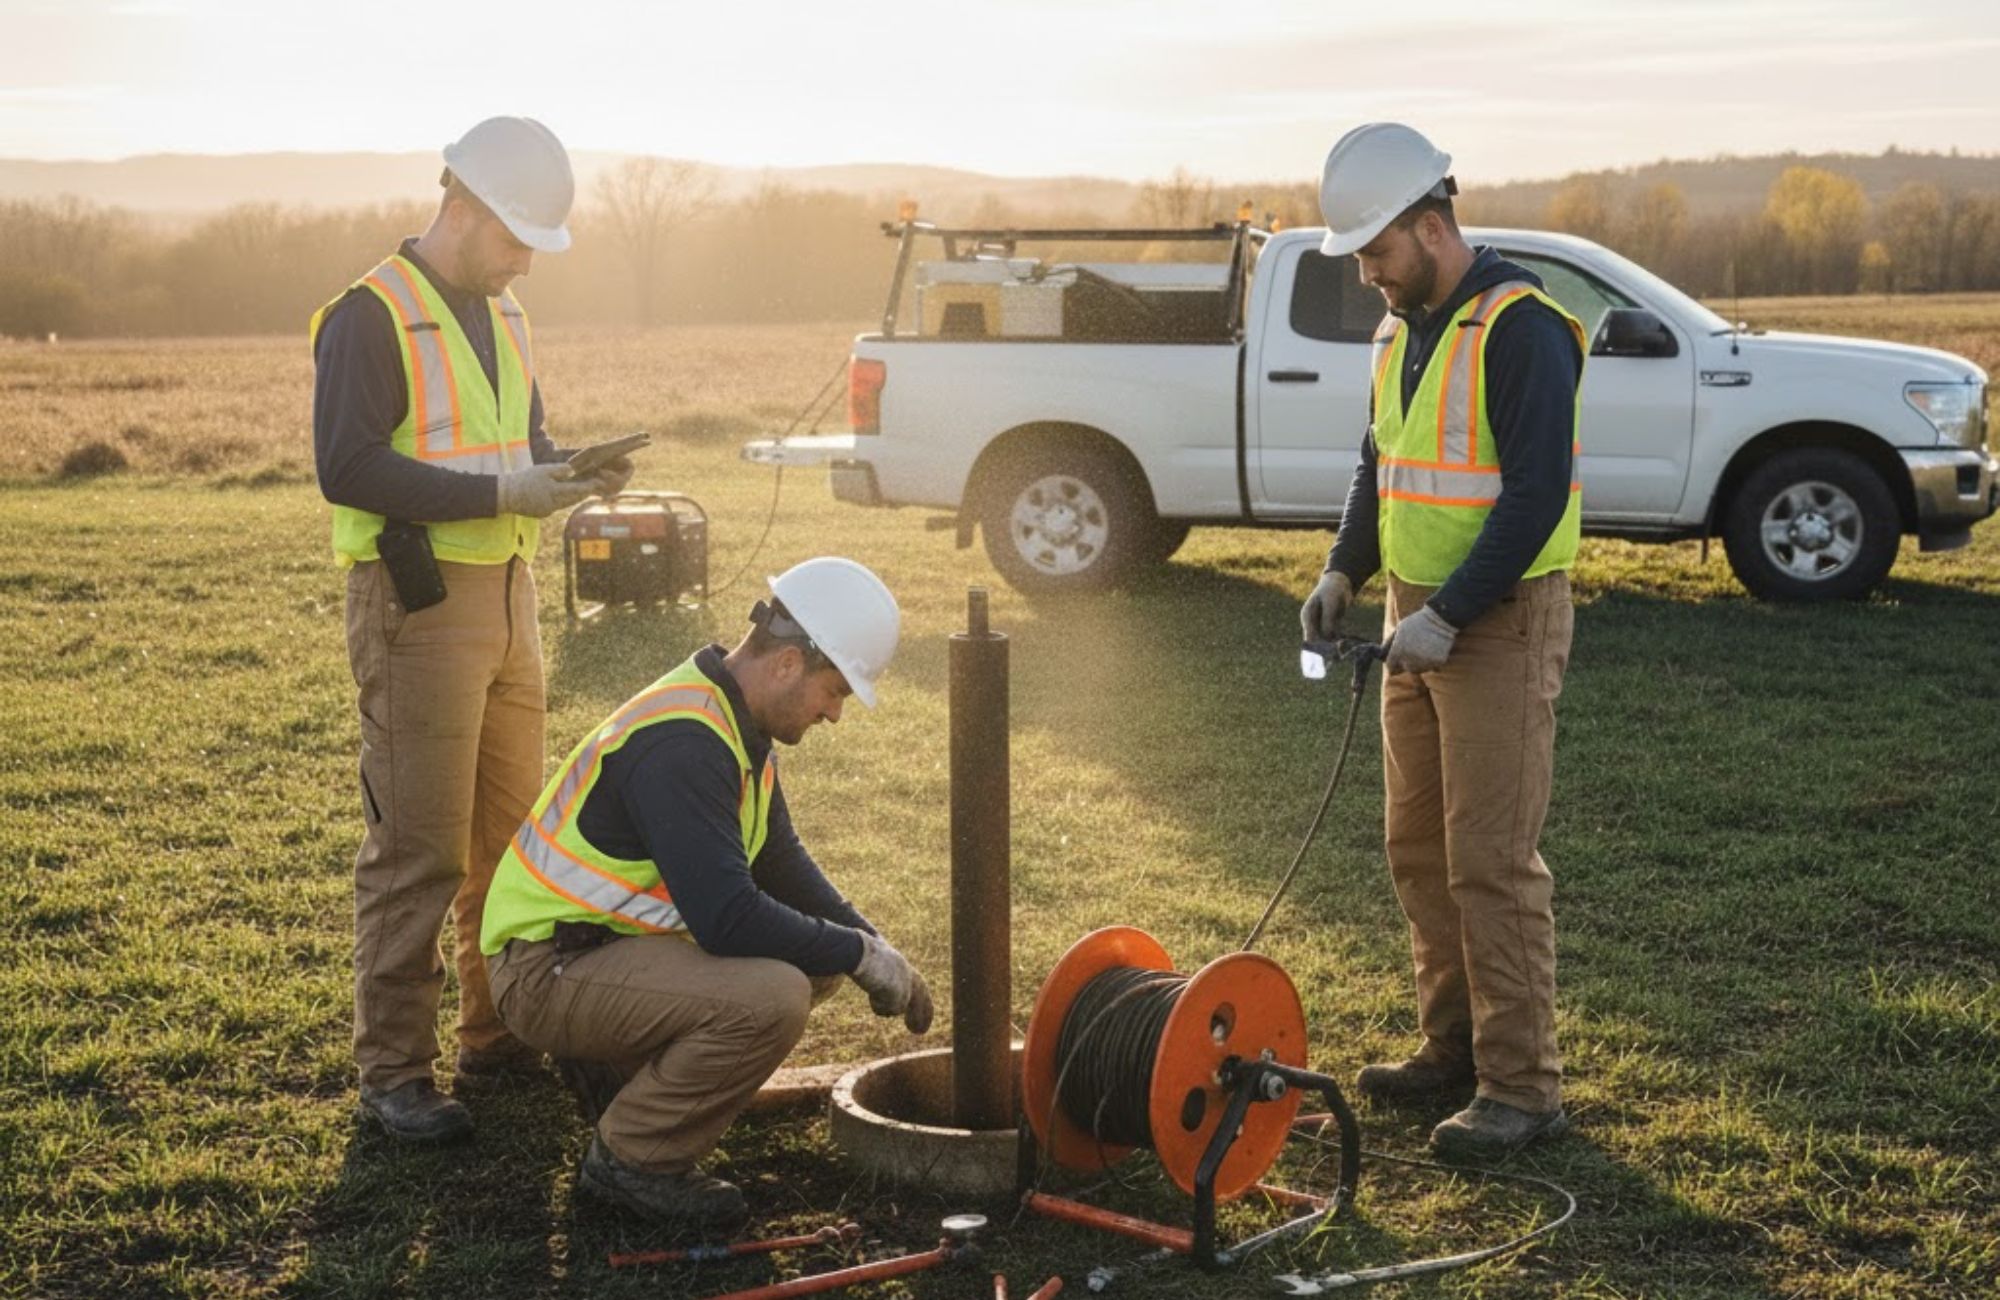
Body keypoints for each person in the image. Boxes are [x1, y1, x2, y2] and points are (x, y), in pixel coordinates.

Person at [311, 116, 634, 1142]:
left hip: (508, 596)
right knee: (418, 852)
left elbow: (518, 442)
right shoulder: (369, 315)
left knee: (510, 841)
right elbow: (346, 466)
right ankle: (395, 1075)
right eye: (516, 237)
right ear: (463, 204)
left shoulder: (506, 313)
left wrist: (566, 469)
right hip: (416, 606)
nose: (526, 261)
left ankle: (497, 1036)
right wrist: (505, 489)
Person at [482, 557, 935, 1226]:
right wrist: (856, 953)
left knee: (814, 961)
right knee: (773, 997)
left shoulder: (729, 718)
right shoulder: (685, 744)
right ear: (788, 663)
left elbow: (780, 861)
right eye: (834, 691)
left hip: (591, 951)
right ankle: (633, 1159)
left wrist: (871, 943)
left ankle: (622, 1079)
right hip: (544, 970)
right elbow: (727, 919)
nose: (835, 714)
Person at [1299, 123, 1584, 1157]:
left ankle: (1523, 1087)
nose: (1366, 275)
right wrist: (1344, 569)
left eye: (1375, 252)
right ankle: (1452, 1050)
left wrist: (1448, 613)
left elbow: (1534, 498)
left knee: (1491, 862)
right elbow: (1379, 464)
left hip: (1496, 622)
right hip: (1412, 618)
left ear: (1429, 226)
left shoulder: (1522, 329)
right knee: (1417, 848)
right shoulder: (1398, 332)